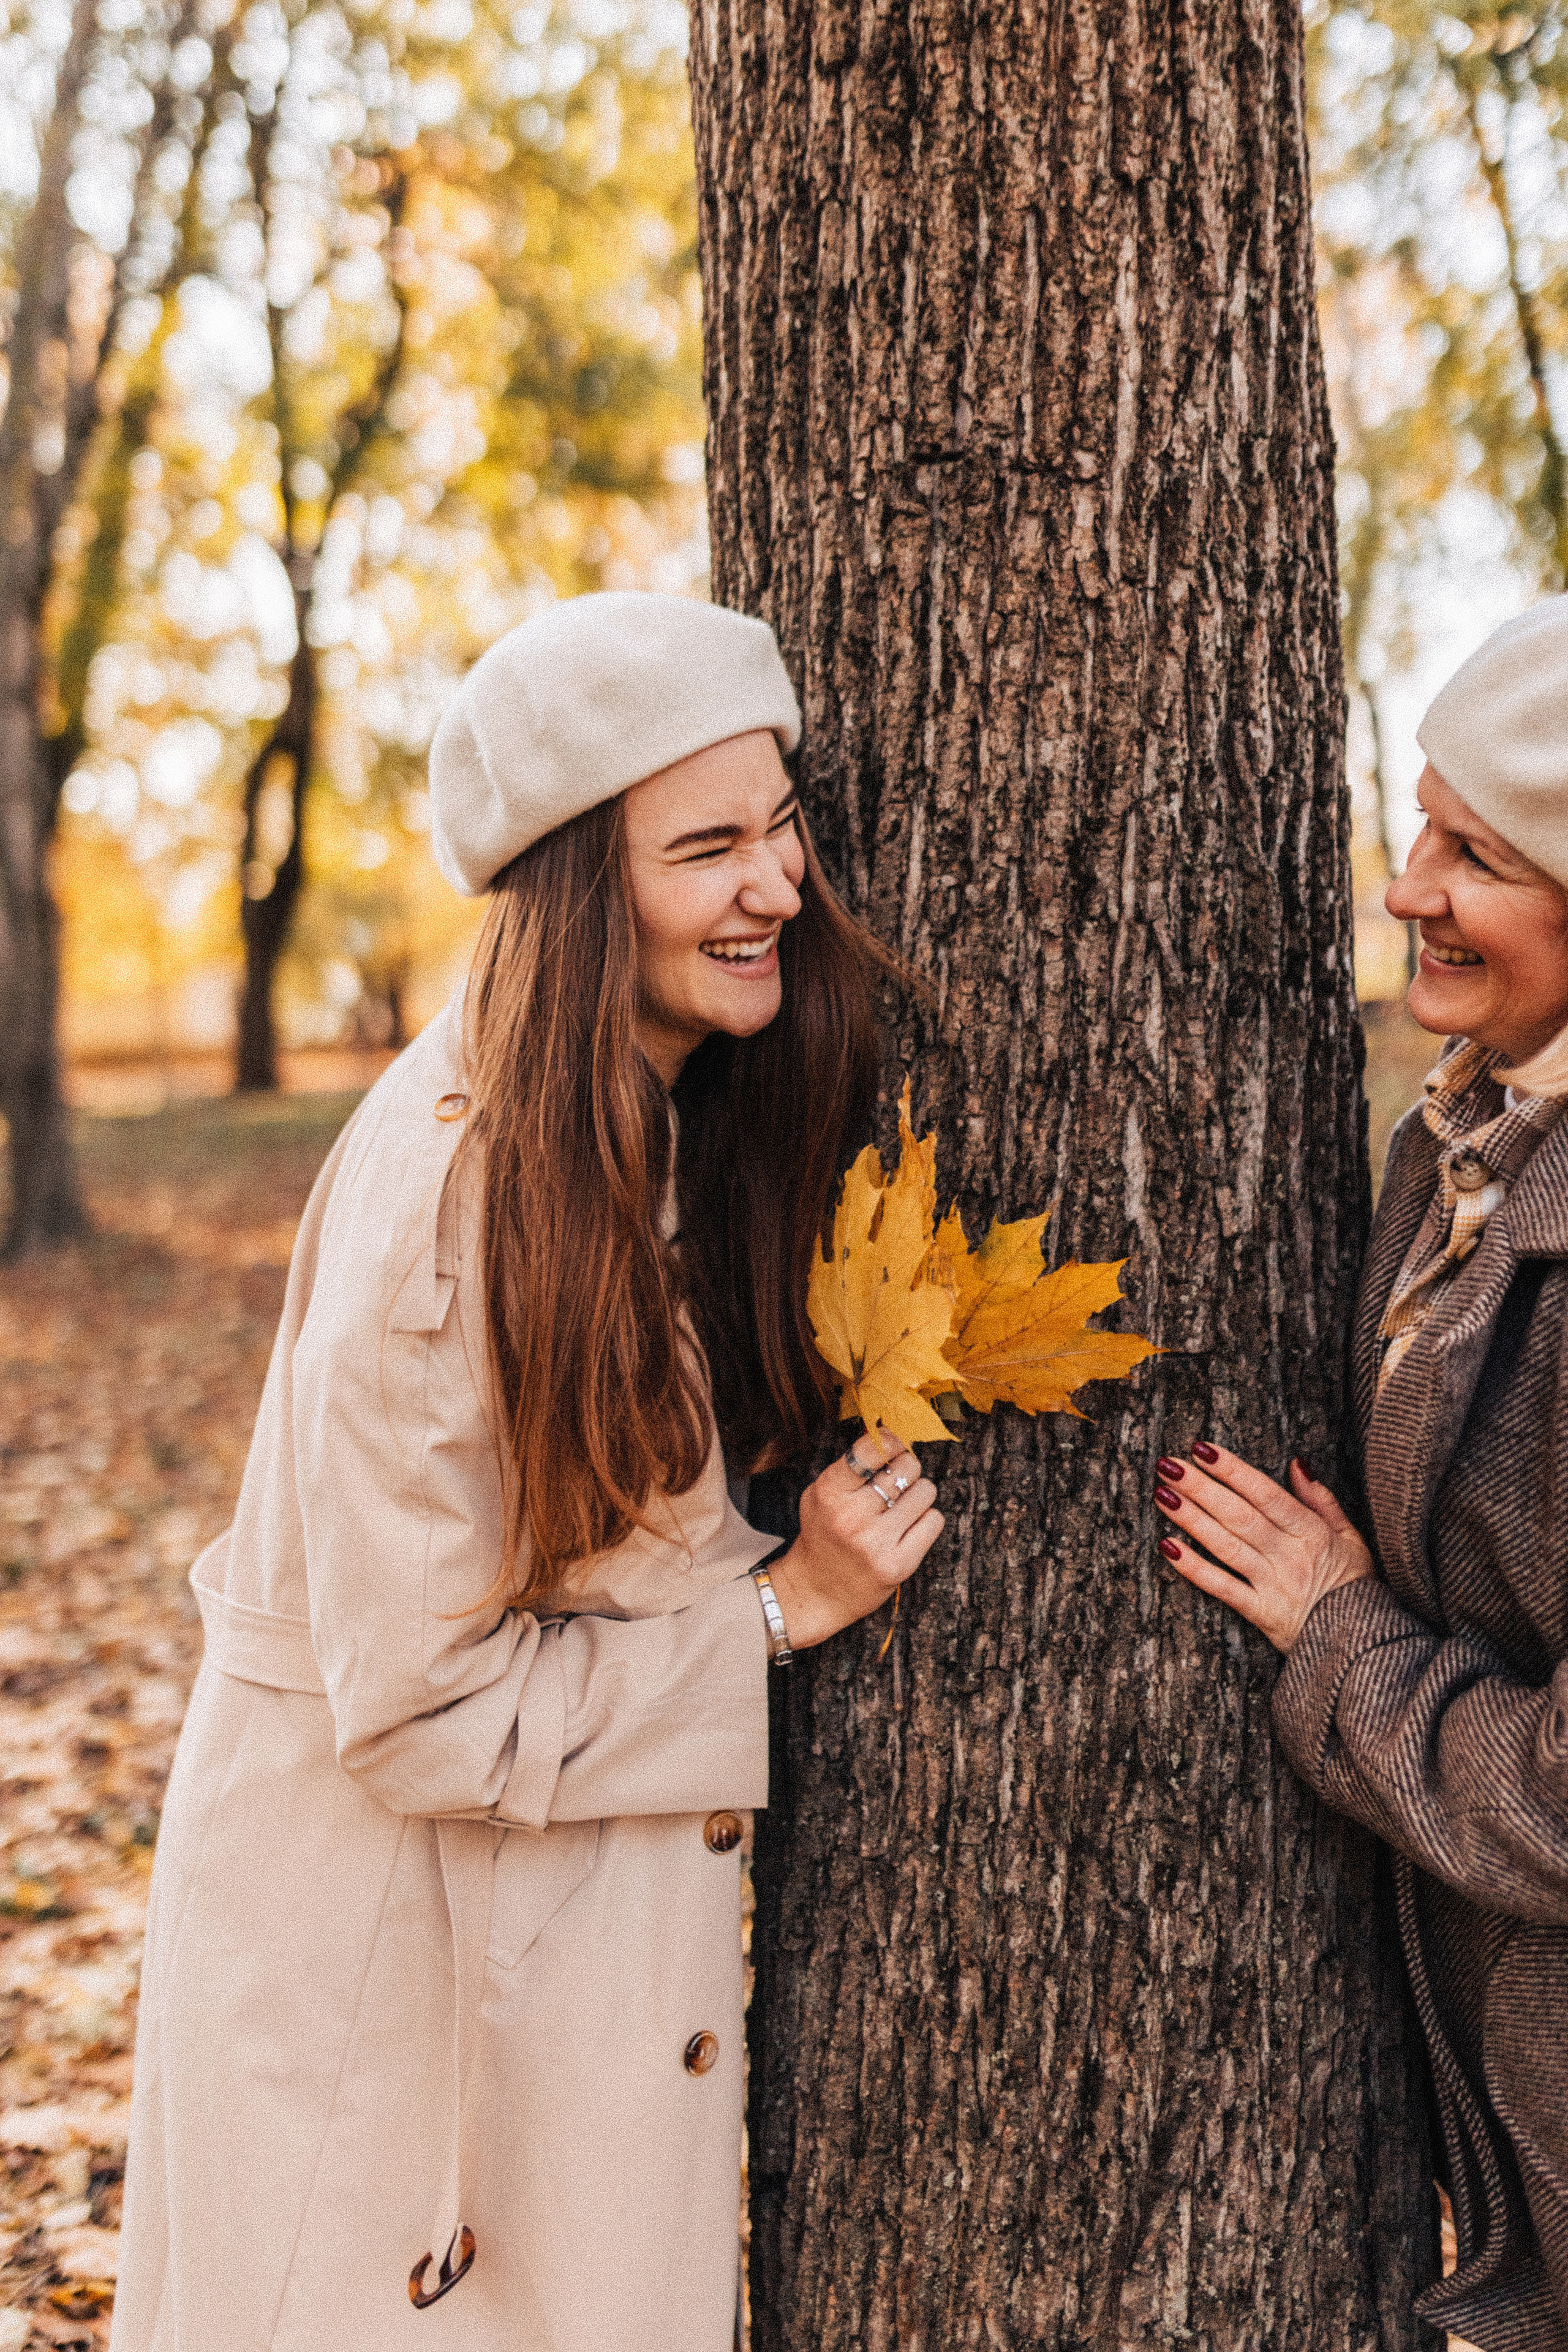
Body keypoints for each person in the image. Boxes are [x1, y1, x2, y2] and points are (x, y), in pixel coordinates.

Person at [110, 592, 946, 2352]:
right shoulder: (451, 1202)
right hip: (377, 1978)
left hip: (520, 1946)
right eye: (706, 847)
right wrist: (780, 1617)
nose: (780, 885)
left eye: (782, 823)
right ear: (579, 892)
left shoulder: (634, 1120)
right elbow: (415, 1707)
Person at [1153, 598, 1568, 2351]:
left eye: (1477, 853)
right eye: (1421, 823)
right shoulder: (1459, 1133)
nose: (1407, 887)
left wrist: (1341, 1635)